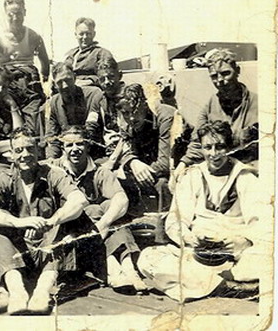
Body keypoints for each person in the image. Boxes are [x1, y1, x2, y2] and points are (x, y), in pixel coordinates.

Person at [0, 129, 105, 315]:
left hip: (50, 247)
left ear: (38, 151)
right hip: (19, 253)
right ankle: (17, 292)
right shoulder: (4, 179)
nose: (25, 155)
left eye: (30, 149)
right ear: (11, 154)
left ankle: (42, 291)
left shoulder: (53, 174)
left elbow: (79, 199)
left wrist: (52, 221)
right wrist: (18, 222)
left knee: (66, 220)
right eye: (19, 150)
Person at [137, 121, 267, 301]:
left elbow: (262, 224)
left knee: (265, 258)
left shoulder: (246, 177)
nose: (213, 154)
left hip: (235, 255)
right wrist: (188, 238)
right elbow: (176, 221)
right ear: (202, 148)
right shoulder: (193, 175)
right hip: (197, 254)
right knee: (148, 257)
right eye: (208, 147)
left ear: (229, 148)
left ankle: (207, 284)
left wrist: (241, 241)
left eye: (220, 147)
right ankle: (226, 287)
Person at [48, 126, 146, 292]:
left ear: (87, 146)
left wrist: (104, 224)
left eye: (79, 144)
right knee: (93, 209)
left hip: (95, 234)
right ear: (62, 148)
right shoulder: (53, 168)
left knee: (110, 207)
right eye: (69, 145)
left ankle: (127, 268)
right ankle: (116, 267)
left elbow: (121, 198)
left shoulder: (97, 171)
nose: (74, 149)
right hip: (68, 231)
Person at [173, 49, 258, 184]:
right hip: (220, 172)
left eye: (225, 73)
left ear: (237, 70)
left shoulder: (260, 105)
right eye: (214, 76)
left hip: (251, 173)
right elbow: (197, 141)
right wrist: (183, 164)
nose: (220, 81)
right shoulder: (210, 106)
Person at [106, 83, 176, 214]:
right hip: (150, 167)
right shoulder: (127, 122)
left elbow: (165, 164)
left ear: (145, 104)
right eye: (126, 113)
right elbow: (125, 149)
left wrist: (139, 171)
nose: (131, 118)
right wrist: (133, 162)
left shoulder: (165, 116)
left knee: (162, 184)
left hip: (177, 165)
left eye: (135, 111)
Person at [0, 0, 50, 134]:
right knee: (8, 121)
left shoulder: (34, 37)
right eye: (11, 14)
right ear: (5, 14)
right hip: (7, 83)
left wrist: (44, 83)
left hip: (29, 83)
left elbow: (45, 63)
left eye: (19, 13)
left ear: (25, 12)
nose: (15, 18)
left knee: (34, 120)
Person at [45, 62, 103, 158]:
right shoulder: (54, 102)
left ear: (75, 78)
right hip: (68, 154)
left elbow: (91, 130)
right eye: (59, 82)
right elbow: (52, 136)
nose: (64, 86)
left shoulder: (93, 94)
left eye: (68, 80)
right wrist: (51, 160)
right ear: (54, 84)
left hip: (93, 153)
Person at [63, 17, 115, 87]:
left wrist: (89, 81)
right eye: (81, 34)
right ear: (76, 35)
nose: (85, 37)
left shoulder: (102, 53)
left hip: (91, 89)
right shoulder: (70, 54)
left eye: (88, 33)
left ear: (94, 34)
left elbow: (108, 75)